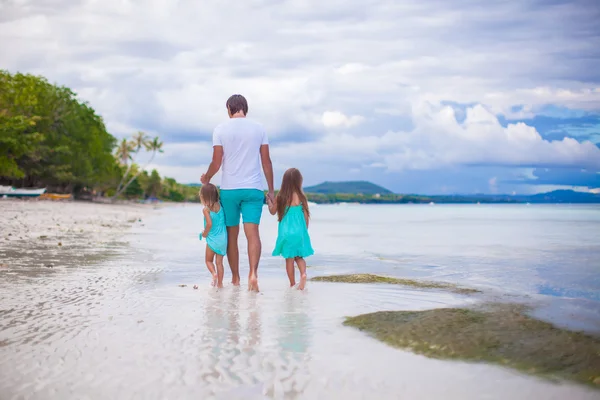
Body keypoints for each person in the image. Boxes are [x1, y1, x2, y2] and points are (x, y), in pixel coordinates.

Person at [201, 94, 275, 292]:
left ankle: (235, 279)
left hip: (229, 191)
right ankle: (253, 274)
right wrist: (271, 191)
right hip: (253, 189)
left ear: (229, 109)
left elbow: (216, 162)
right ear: (245, 108)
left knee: (232, 236)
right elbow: (266, 162)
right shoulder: (259, 128)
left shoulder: (220, 129)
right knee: (253, 234)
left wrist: (207, 178)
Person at [267, 168, 314, 290]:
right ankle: (303, 274)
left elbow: (272, 212)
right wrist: (305, 231)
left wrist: (269, 203)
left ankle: (292, 284)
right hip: (299, 232)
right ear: (299, 181)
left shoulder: (281, 196)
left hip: (286, 233)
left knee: (289, 259)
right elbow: (306, 216)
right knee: (299, 257)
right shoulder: (301, 196)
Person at [198, 183, 227, 288]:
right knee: (219, 263)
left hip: (212, 239)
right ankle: (220, 284)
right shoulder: (220, 205)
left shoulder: (206, 209)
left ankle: (214, 274)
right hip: (223, 239)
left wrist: (204, 234)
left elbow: (209, 224)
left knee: (208, 260)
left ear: (203, 197)